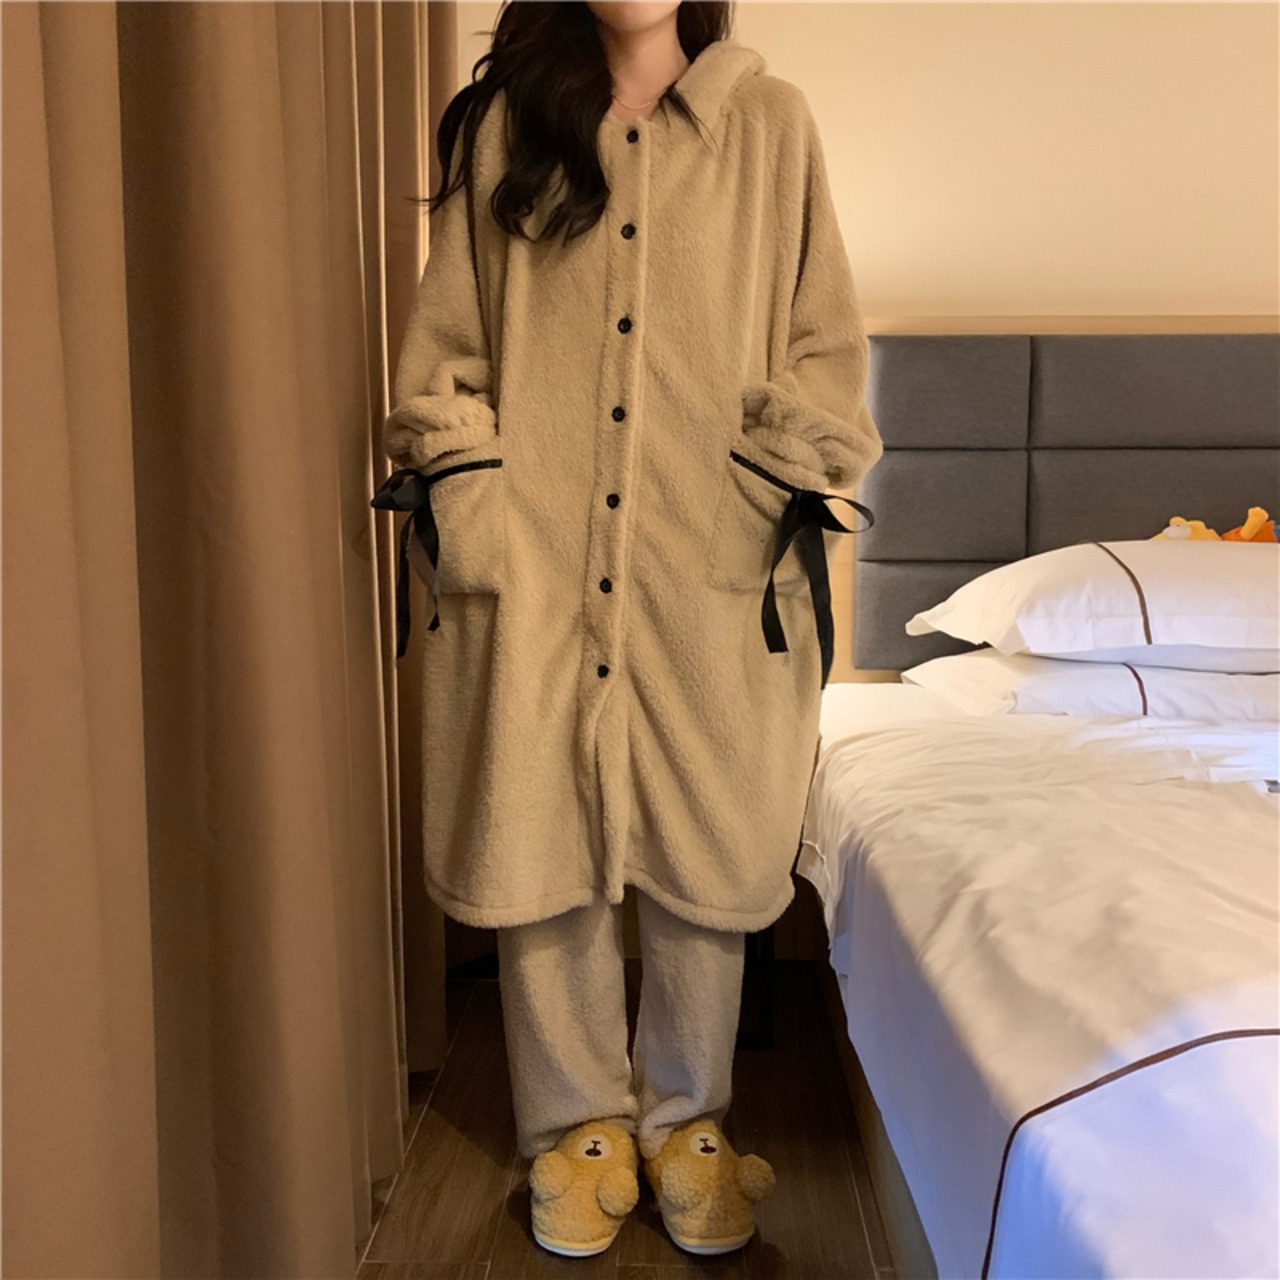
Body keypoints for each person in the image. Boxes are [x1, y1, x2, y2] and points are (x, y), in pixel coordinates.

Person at [373, 0, 883, 1258]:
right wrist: (479, 509)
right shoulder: (509, 128)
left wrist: (759, 488)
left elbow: (824, 349)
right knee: (536, 816)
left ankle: (686, 1120)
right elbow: (444, 350)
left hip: (708, 555)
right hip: (533, 550)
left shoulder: (769, 126)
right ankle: (574, 1126)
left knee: (704, 836)